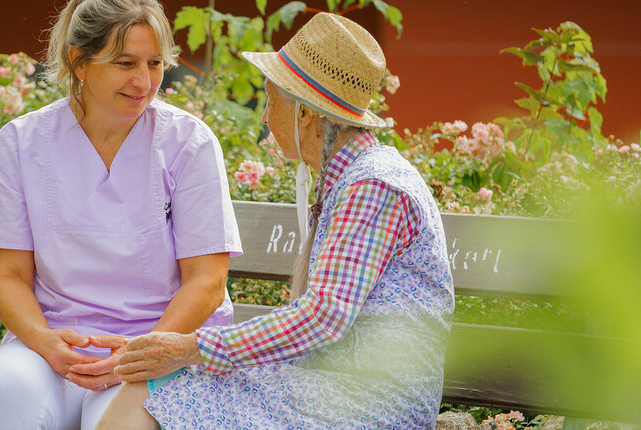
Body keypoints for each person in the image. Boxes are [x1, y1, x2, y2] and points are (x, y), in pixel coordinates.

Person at [92, 12, 455, 429]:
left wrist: (192, 347)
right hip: (329, 386)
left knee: (160, 385)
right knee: (156, 386)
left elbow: (322, 316)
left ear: (304, 114)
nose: (265, 117)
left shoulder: (372, 186)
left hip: (369, 402)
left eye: (271, 100)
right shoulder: (353, 176)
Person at [0, 0, 242, 428]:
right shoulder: (21, 143)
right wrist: (44, 341)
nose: (144, 81)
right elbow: (8, 276)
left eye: (154, 63)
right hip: (52, 344)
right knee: (6, 393)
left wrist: (143, 353)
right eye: (125, 63)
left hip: (159, 346)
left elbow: (207, 280)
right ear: (79, 62)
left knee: (117, 421)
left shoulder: (189, 143)